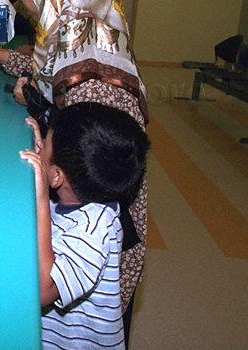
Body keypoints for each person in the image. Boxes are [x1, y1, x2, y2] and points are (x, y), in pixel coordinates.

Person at [0, 0, 148, 341]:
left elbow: (86, 144)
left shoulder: (90, 52)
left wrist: (38, 113)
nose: (21, 0)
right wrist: (1, 54)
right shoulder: (78, 23)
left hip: (88, 247)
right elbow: (51, 73)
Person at [21, 102, 149, 350]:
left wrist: (40, 195)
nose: (40, 147)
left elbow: (44, 290)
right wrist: (49, 162)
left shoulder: (95, 230)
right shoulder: (86, 192)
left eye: (46, 143)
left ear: (58, 177)